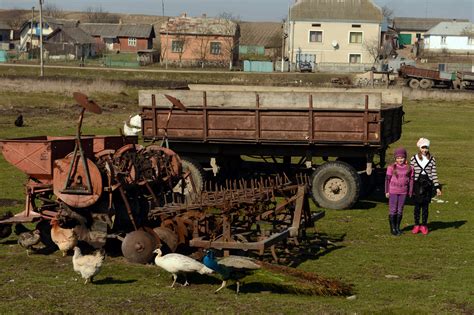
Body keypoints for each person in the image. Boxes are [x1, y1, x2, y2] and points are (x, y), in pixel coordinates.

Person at [410, 138, 442, 235]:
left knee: (425, 206)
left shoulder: (432, 159)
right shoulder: (413, 158)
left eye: (426, 148)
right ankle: (416, 225)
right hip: (417, 184)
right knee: (417, 206)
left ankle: (424, 225)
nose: (424, 150)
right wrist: (409, 186)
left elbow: (434, 173)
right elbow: (411, 173)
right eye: (423, 148)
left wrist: (437, 187)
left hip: (428, 184)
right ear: (420, 148)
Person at [385, 147, 414, 236]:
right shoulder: (391, 167)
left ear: (405, 158)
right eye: (398, 158)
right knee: (393, 210)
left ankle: (398, 227)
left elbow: (411, 180)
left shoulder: (409, 168)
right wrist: (387, 191)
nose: (400, 159)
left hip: (403, 192)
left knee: (400, 210)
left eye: (402, 157)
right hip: (393, 191)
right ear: (395, 158)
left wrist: (410, 191)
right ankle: (393, 229)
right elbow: (387, 180)